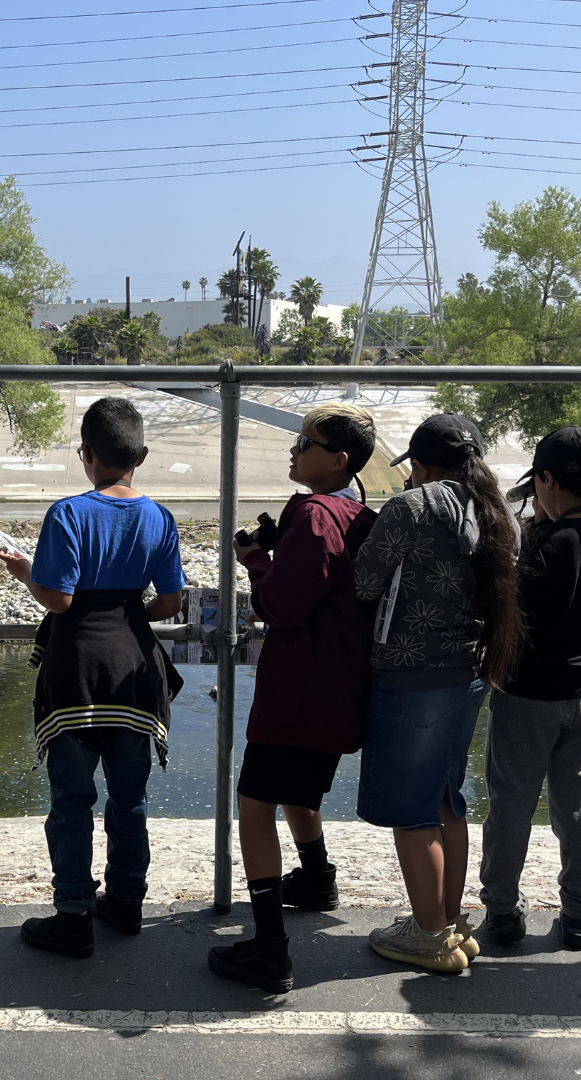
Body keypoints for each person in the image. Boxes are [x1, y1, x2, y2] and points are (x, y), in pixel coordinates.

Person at [1, 397, 185, 960]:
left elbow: (59, 599)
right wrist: (130, 612)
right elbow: (171, 601)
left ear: (86, 454)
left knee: (72, 800)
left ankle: (74, 914)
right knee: (129, 801)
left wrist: (26, 573)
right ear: (142, 455)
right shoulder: (159, 517)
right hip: (135, 673)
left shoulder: (69, 513)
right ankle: (127, 903)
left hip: (76, 669)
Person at [207, 403, 377, 994]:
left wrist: (255, 559)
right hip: (340, 688)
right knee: (298, 792)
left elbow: (281, 605)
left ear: (338, 460)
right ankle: (315, 878)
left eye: (307, 443)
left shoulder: (311, 513)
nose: (295, 449)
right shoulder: (358, 513)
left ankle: (270, 950)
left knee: (254, 804)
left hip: (299, 687)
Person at [353, 414, 523, 972]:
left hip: (409, 675)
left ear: (421, 465)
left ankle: (428, 935)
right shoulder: (499, 516)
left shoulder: (413, 507)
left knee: (412, 811)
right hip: (470, 673)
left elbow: (365, 583)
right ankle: (450, 923)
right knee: (448, 798)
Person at [479, 426, 581, 952]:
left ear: (545, 478)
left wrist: (531, 529)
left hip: (529, 692)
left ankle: (501, 911)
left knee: (511, 805)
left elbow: (513, 613)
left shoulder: (543, 543)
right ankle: (580, 915)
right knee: (580, 809)